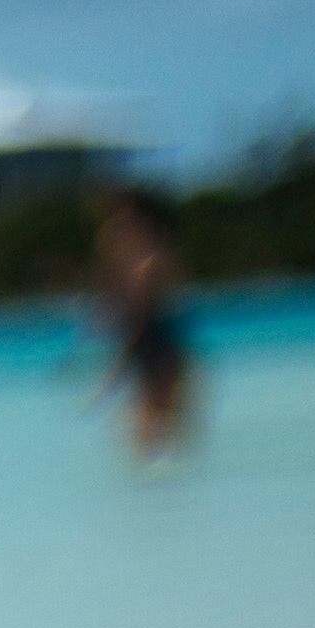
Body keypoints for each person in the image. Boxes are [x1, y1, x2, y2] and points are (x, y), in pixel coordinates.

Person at [88, 182, 198, 460]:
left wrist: (115, 371)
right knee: (160, 444)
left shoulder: (149, 262)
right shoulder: (145, 260)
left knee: (154, 442)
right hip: (156, 349)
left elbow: (141, 318)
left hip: (157, 350)